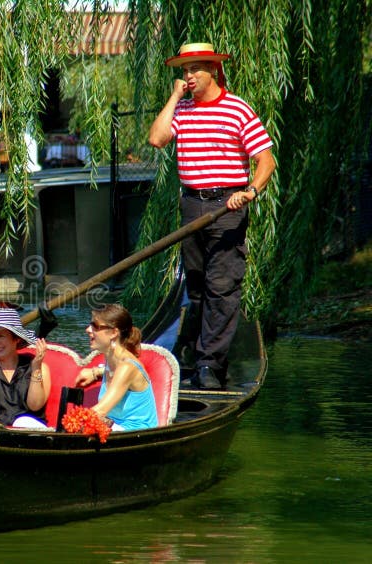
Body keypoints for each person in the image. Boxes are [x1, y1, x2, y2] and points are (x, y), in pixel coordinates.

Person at [148, 43, 276, 389]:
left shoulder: (237, 109)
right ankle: (205, 360)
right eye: (185, 71)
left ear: (213, 71)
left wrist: (249, 191)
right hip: (191, 206)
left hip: (227, 205)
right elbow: (157, 139)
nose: (188, 77)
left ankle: (209, 365)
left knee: (222, 286)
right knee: (198, 287)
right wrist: (174, 97)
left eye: (195, 70)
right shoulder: (182, 110)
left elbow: (266, 160)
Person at [74, 304, 158, 432]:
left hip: (136, 436)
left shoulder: (127, 367)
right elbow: (114, 373)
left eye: (95, 326)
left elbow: (101, 411)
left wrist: (71, 422)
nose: (88, 330)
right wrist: (95, 372)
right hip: (114, 430)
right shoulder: (111, 361)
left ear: (114, 333)